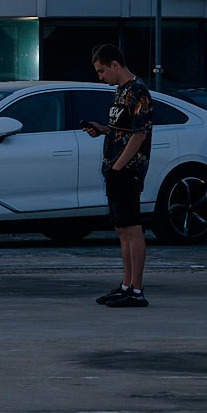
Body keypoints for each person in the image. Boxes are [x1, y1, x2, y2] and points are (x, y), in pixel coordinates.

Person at [80, 44, 153, 308]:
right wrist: (102, 130)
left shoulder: (138, 91)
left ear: (114, 65)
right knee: (121, 228)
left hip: (127, 169)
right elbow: (122, 128)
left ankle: (136, 289)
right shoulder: (121, 92)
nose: (101, 77)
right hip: (115, 167)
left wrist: (119, 166)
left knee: (132, 228)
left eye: (102, 71)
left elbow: (139, 133)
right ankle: (126, 284)